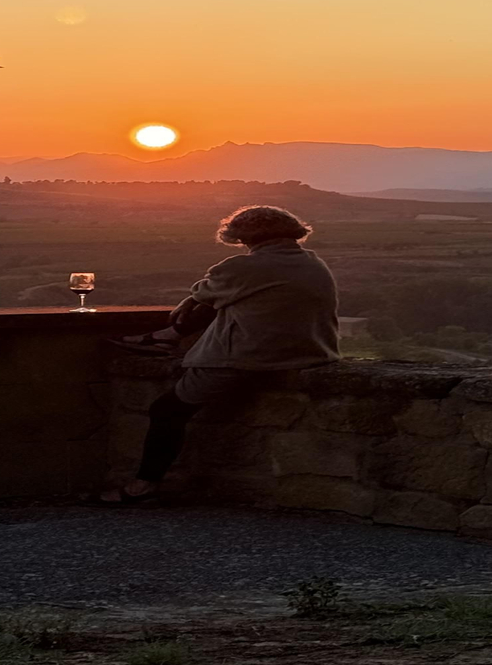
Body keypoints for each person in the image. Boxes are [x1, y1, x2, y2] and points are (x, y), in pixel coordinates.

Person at [96, 203, 339, 505]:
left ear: (242, 237)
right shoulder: (314, 263)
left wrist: (191, 299)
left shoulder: (241, 267)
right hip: (311, 352)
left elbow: (207, 291)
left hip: (248, 357)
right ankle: (164, 339)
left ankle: (143, 485)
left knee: (167, 410)